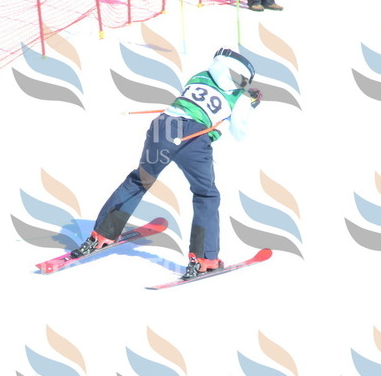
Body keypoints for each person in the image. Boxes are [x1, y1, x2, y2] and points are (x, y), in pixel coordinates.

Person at [72, 48, 262, 279]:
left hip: (163, 126)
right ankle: (204, 259)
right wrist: (249, 106)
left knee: (140, 180)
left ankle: (102, 234)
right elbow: (240, 133)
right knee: (206, 195)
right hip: (193, 138)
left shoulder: (201, 76)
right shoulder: (240, 98)